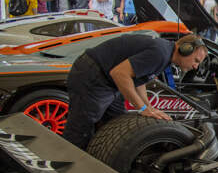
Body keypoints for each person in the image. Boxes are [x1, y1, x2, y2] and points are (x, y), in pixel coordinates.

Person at [62, 34, 207, 151]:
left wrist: (149, 107)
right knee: (81, 130)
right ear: (185, 49)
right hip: (92, 75)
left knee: (115, 124)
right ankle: (65, 169)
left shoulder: (164, 54)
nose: (195, 66)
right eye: (196, 60)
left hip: (105, 79)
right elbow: (119, 73)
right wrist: (142, 108)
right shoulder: (160, 53)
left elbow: (139, 79)